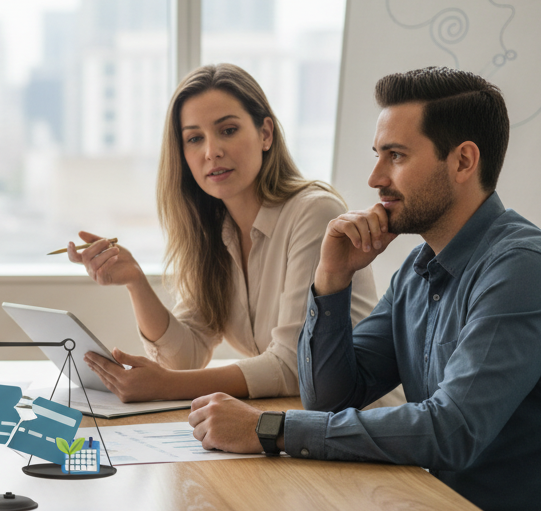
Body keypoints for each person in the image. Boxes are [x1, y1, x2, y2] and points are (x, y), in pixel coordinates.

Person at [188, 66, 541, 511]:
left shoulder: (521, 270)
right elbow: (331, 397)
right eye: (377, 155)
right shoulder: (420, 271)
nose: (374, 179)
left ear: (463, 161)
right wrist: (330, 280)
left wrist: (270, 429)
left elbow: (450, 430)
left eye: (395, 156)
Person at [70, 63, 396, 405]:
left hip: (365, 428)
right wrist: (135, 282)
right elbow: (185, 358)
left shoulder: (315, 213)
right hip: (301, 425)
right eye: (195, 138)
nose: (211, 151)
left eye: (228, 130)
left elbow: (294, 365)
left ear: (265, 134)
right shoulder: (213, 231)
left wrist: (165, 386)